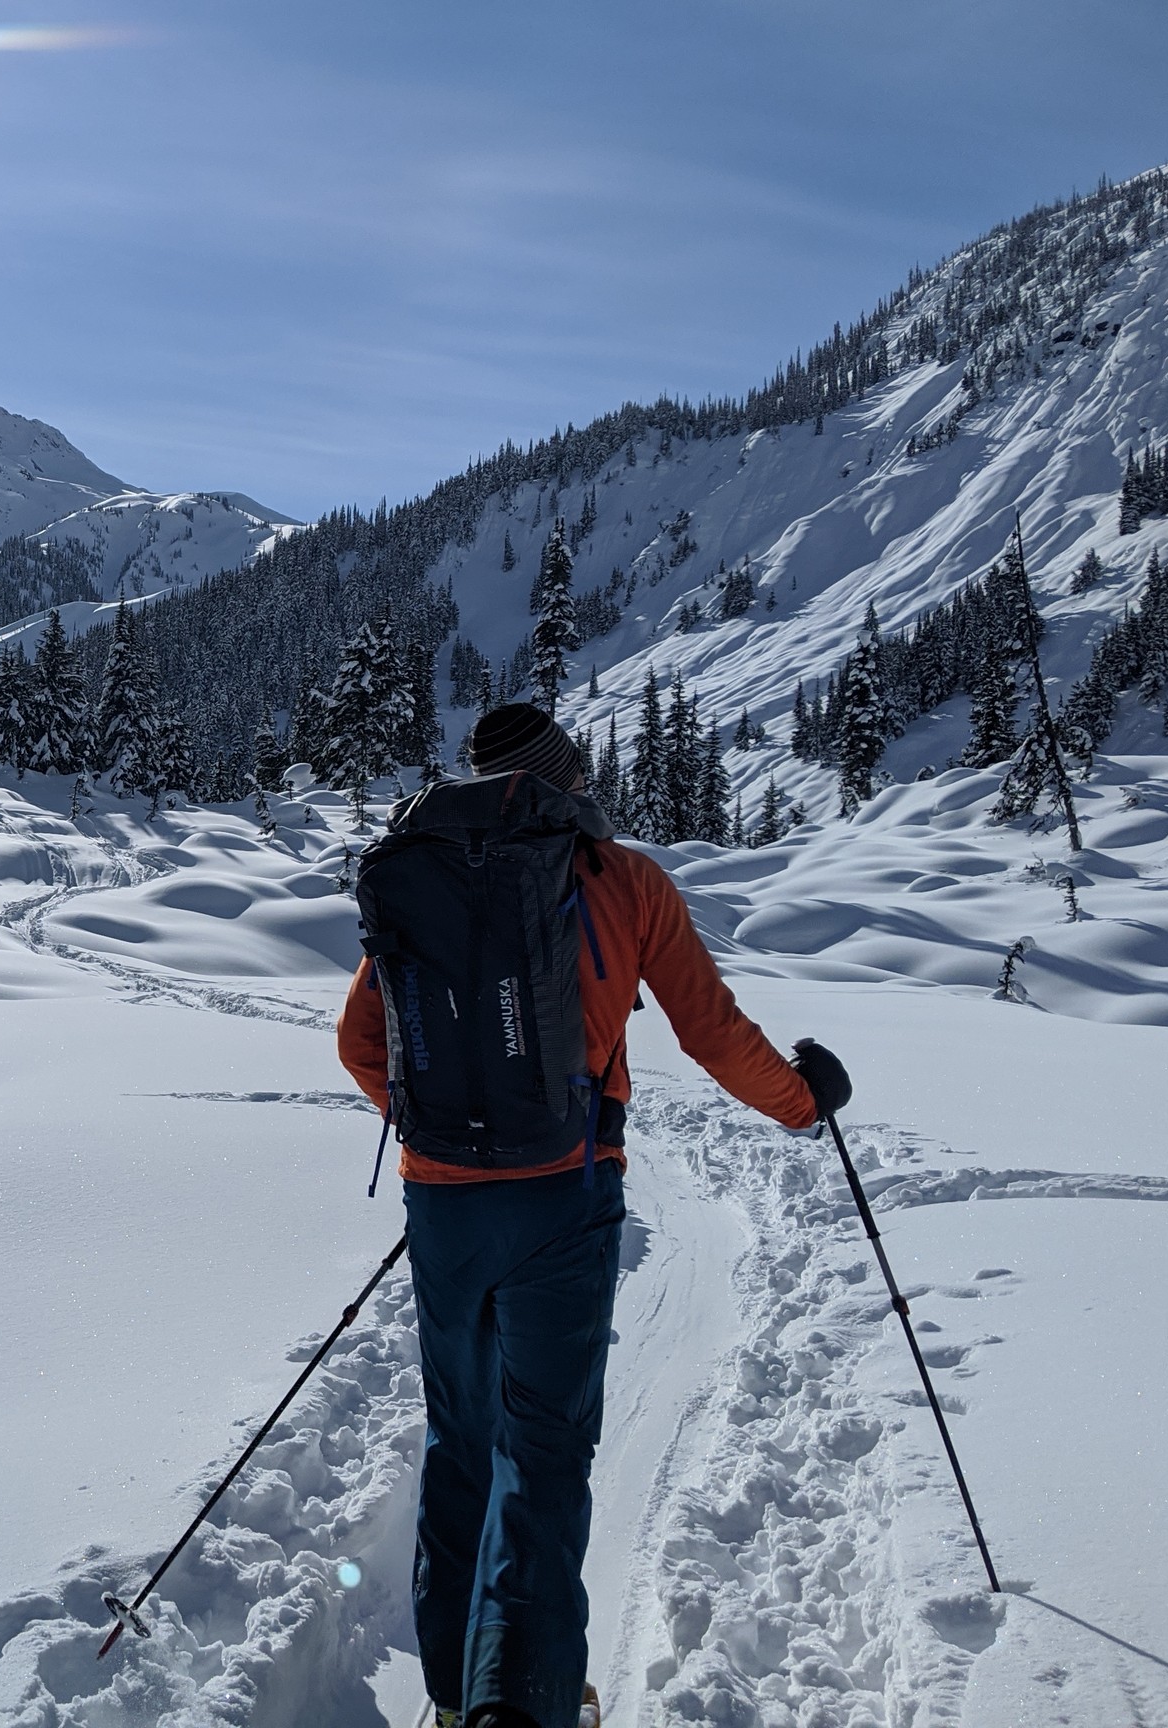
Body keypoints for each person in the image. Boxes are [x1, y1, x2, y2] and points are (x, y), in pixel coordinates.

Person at [338, 702, 851, 1728]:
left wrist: (448, 1136)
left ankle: (454, 1700)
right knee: (545, 1448)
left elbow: (361, 1045)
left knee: (460, 1441)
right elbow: (711, 1031)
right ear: (567, 782)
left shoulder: (420, 869)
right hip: (566, 1198)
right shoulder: (623, 880)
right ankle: (523, 1701)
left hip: (441, 1205)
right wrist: (802, 1103)